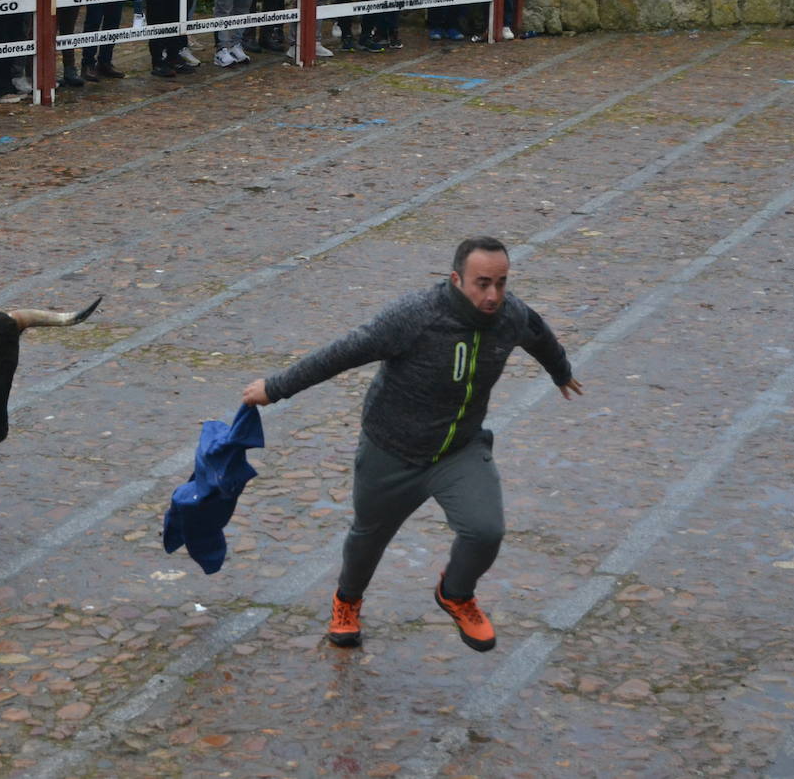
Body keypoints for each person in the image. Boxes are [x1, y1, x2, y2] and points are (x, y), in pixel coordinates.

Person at [242, 237, 583, 652]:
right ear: (457, 279)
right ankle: (346, 602)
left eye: (501, 283)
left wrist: (560, 371)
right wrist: (274, 388)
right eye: (482, 283)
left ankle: (455, 593)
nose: (493, 294)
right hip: (391, 450)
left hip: (459, 450)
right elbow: (342, 353)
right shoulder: (415, 316)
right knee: (367, 538)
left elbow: (539, 335)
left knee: (485, 531)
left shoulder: (510, 315)